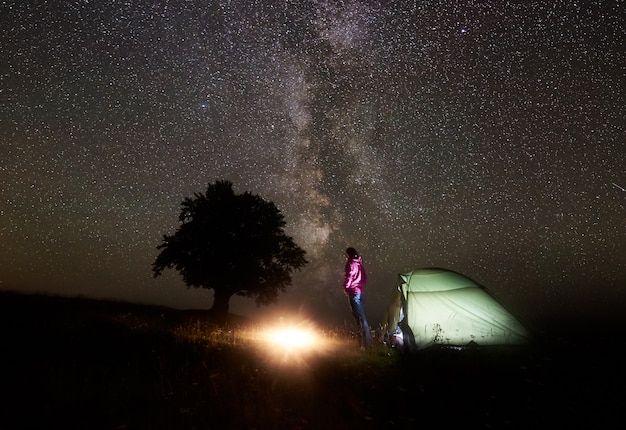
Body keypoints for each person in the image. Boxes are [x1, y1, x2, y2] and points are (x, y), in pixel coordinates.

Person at [343, 247, 372, 349]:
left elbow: (349, 276)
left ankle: (365, 344)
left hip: (354, 293)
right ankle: (364, 343)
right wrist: (359, 285)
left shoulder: (351, 263)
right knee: (361, 318)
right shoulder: (360, 264)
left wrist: (346, 287)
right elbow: (364, 279)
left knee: (360, 319)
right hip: (360, 292)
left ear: (348, 254)